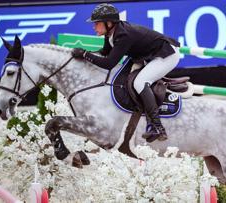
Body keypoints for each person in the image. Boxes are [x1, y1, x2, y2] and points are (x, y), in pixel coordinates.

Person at [71, 3, 180, 142]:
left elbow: (109, 63)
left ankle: (157, 127)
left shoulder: (123, 35)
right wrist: (86, 54)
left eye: (97, 23)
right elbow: (105, 52)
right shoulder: (111, 32)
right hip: (148, 54)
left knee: (140, 82)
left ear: (109, 23)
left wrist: (85, 54)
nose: (94, 26)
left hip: (166, 55)